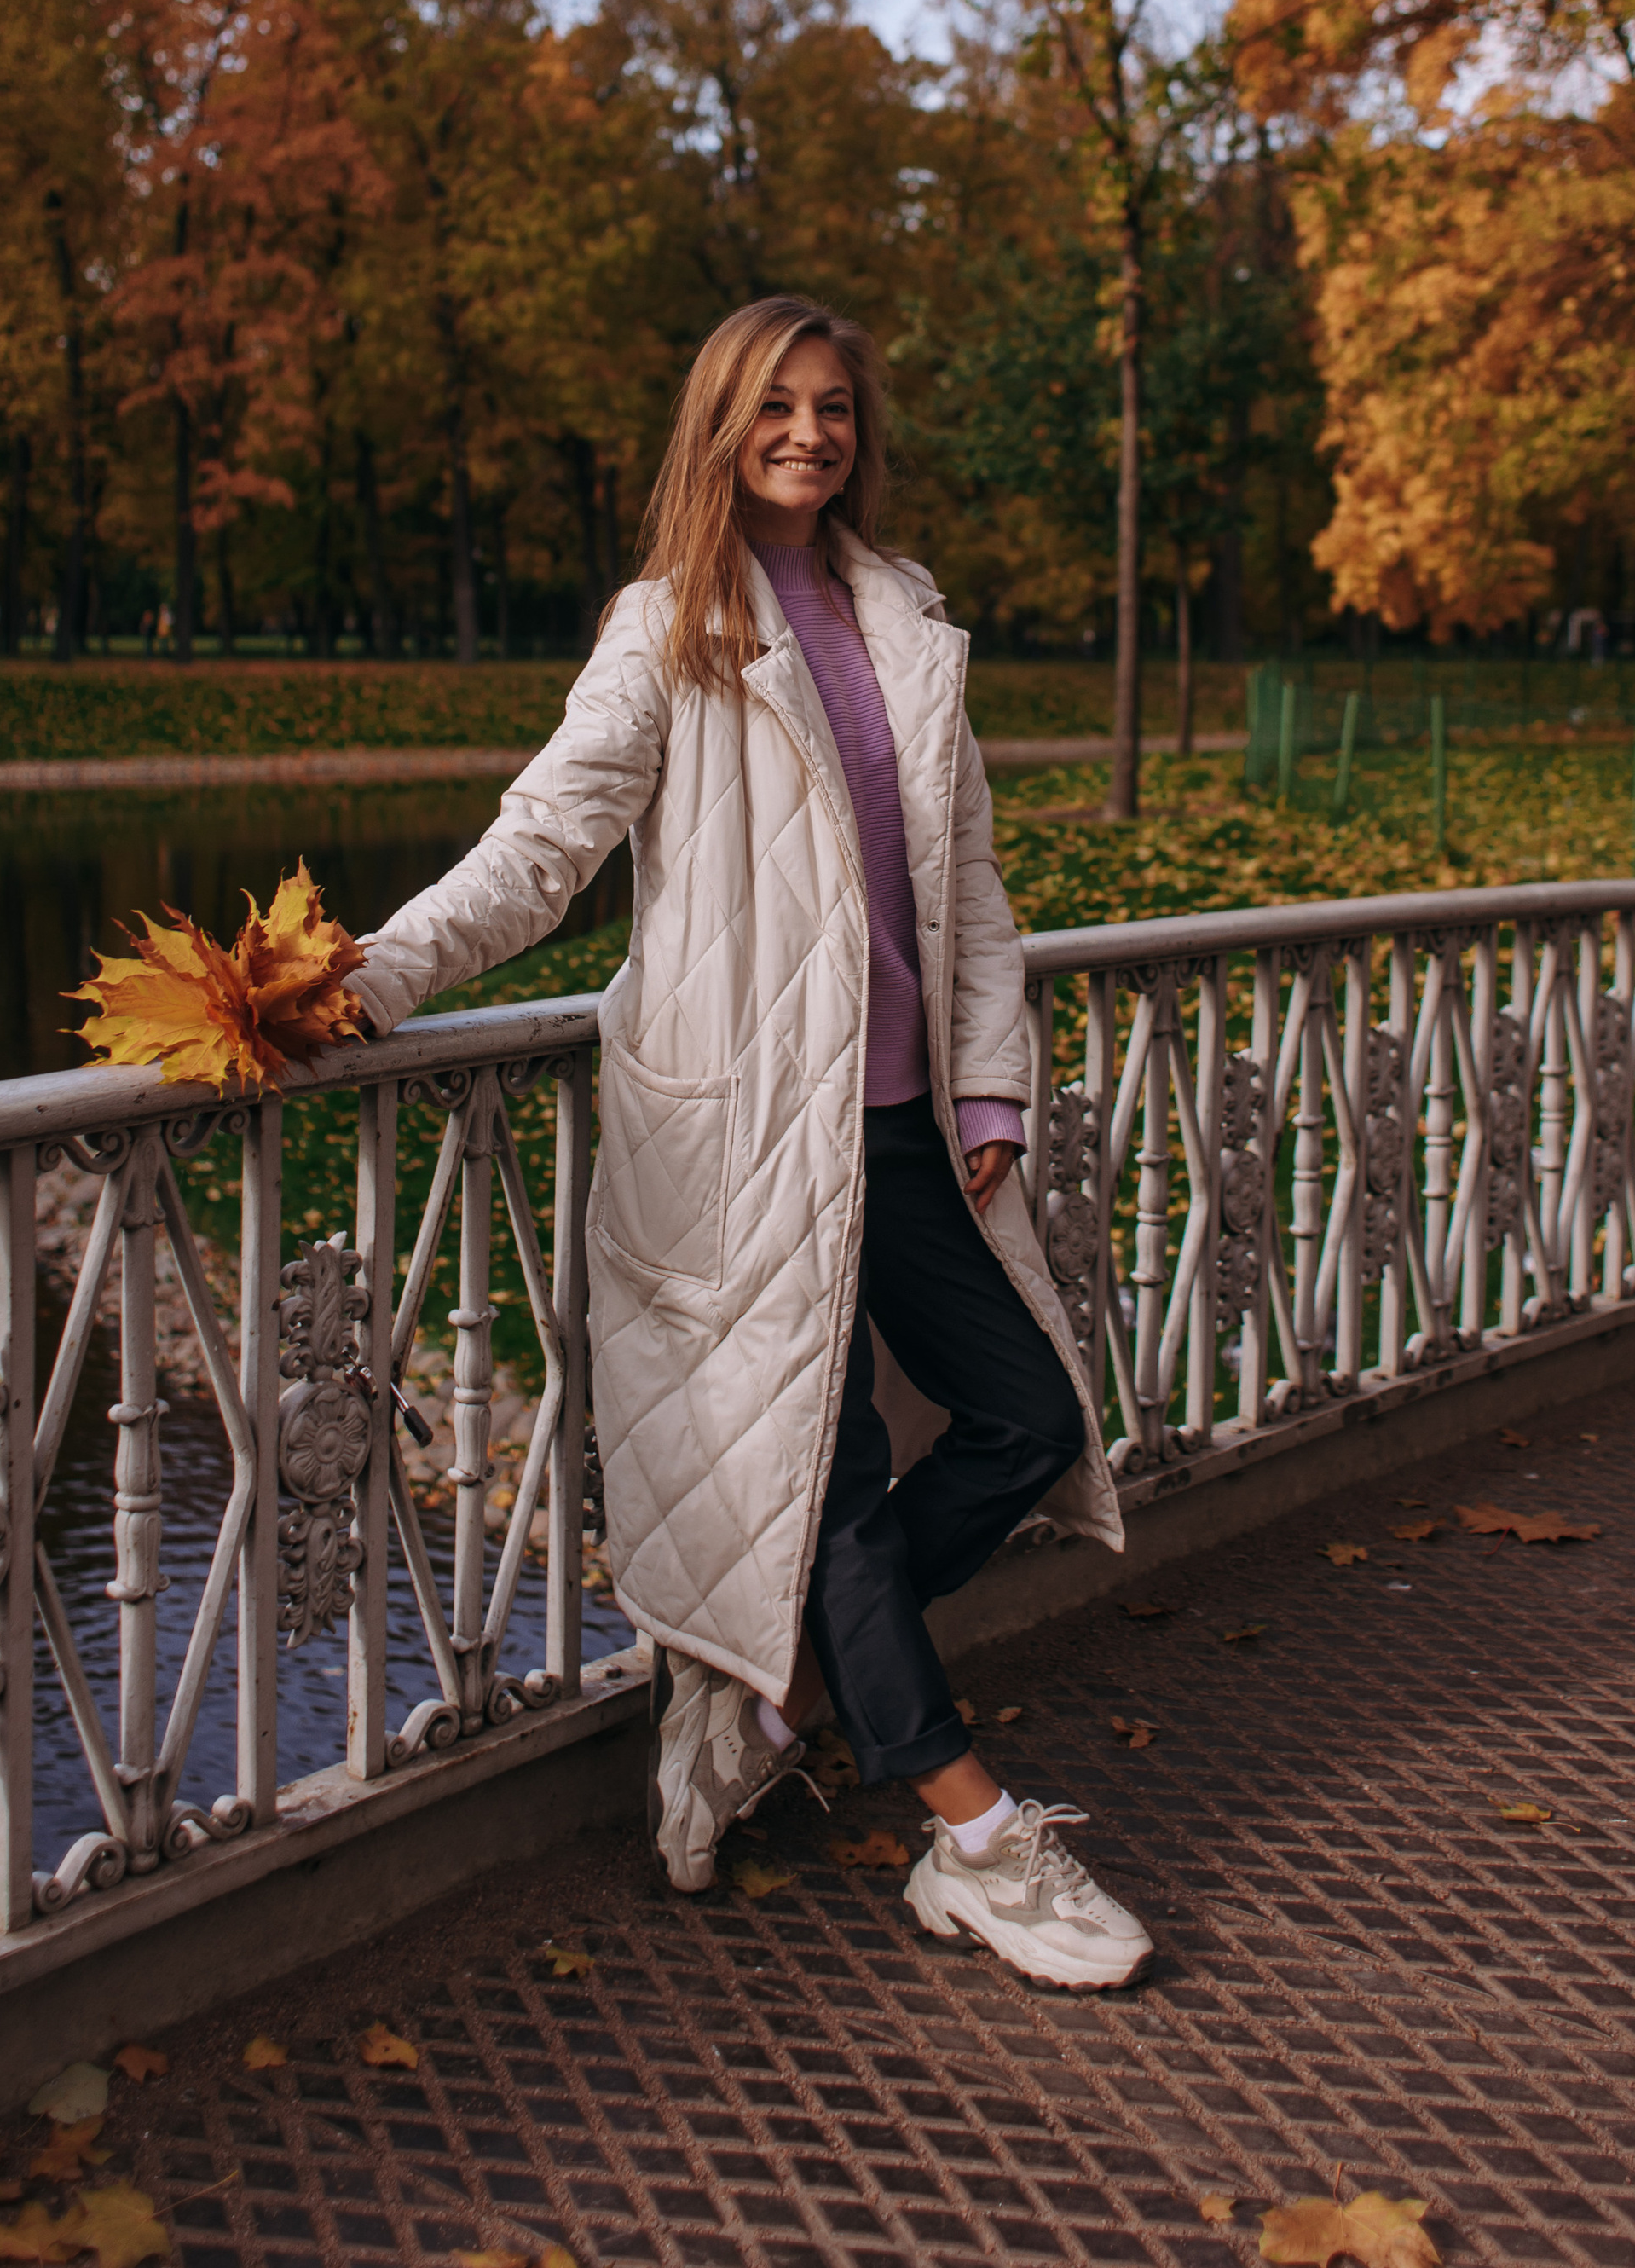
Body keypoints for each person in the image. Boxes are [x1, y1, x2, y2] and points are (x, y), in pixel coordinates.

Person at [348, 296, 1151, 1990]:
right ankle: (976, 1839)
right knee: (835, 1486)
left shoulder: (900, 615)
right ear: (720, 425)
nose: (806, 433)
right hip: (735, 1134)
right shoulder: (666, 627)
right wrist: (374, 977)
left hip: (906, 1124)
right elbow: (544, 842)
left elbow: (972, 889)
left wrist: (989, 1085)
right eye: (774, 407)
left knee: (1021, 1415)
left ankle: (770, 1694)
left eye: (834, 408)